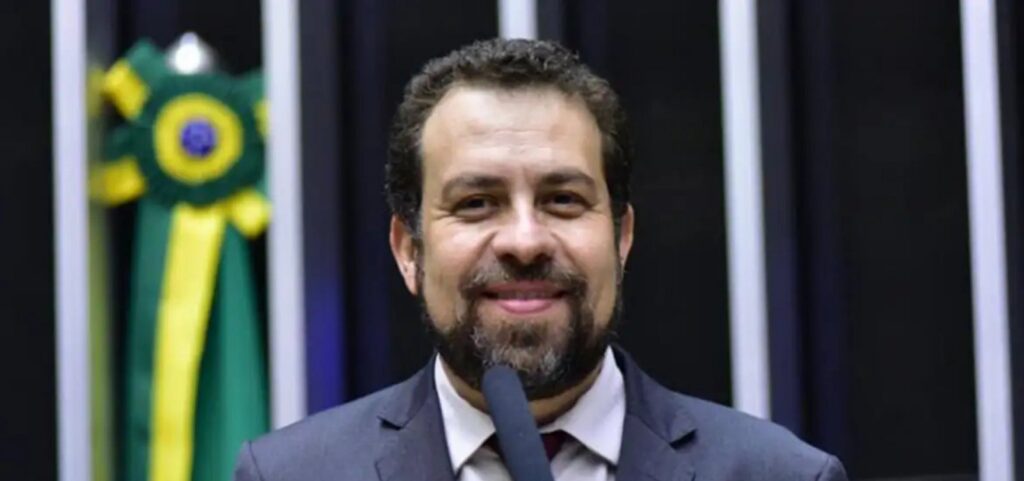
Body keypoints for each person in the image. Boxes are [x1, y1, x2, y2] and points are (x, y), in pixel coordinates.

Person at [233, 38, 847, 481]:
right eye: (477, 203)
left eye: (562, 200)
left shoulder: (781, 474)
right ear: (409, 251)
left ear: (621, 236)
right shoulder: (289, 474)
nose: (525, 241)